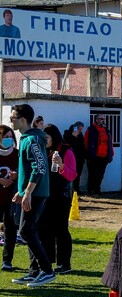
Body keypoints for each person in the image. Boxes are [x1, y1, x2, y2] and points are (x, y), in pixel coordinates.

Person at [9, 104, 55, 287]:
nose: (10, 120)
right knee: (29, 231)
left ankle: (47, 270)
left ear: (22, 119)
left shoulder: (32, 140)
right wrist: (22, 193)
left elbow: (40, 167)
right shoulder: (26, 138)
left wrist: (27, 192)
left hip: (36, 193)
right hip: (30, 193)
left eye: (13, 117)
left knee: (26, 231)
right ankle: (34, 271)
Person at [38, 124, 77, 274]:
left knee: (61, 229)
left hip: (62, 196)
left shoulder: (66, 151)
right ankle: (47, 260)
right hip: (45, 195)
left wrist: (61, 165)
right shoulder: (43, 151)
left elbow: (72, 175)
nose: (44, 140)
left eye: (46, 137)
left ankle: (64, 263)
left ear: (54, 137)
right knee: (44, 228)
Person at [0, 125, 18, 272]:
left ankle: (7, 260)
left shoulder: (17, 154)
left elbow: (25, 170)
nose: (9, 140)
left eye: (11, 137)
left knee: (10, 230)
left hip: (11, 199)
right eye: (5, 137)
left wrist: (17, 174)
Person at [84, 114, 114, 195]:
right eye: (101, 119)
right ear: (96, 119)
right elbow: (86, 142)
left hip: (104, 157)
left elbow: (110, 142)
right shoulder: (91, 129)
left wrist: (111, 153)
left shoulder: (106, 130)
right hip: (94, 156)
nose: (103, 120)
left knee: (100, 175)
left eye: (104, 119)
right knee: (92, 174)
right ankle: (90, 190)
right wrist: (89, 154)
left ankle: (97, 190)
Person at [63, 121, 86, 193]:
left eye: (81, 129)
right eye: (79, 129)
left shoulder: (80, 135)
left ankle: (76, 189)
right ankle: (68, 190)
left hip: (80, 157)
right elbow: (67, 143)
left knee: (78, 174)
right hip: (71, 157)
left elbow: (82, 145)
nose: (80, 131)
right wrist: (73, 136)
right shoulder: (67, 134)